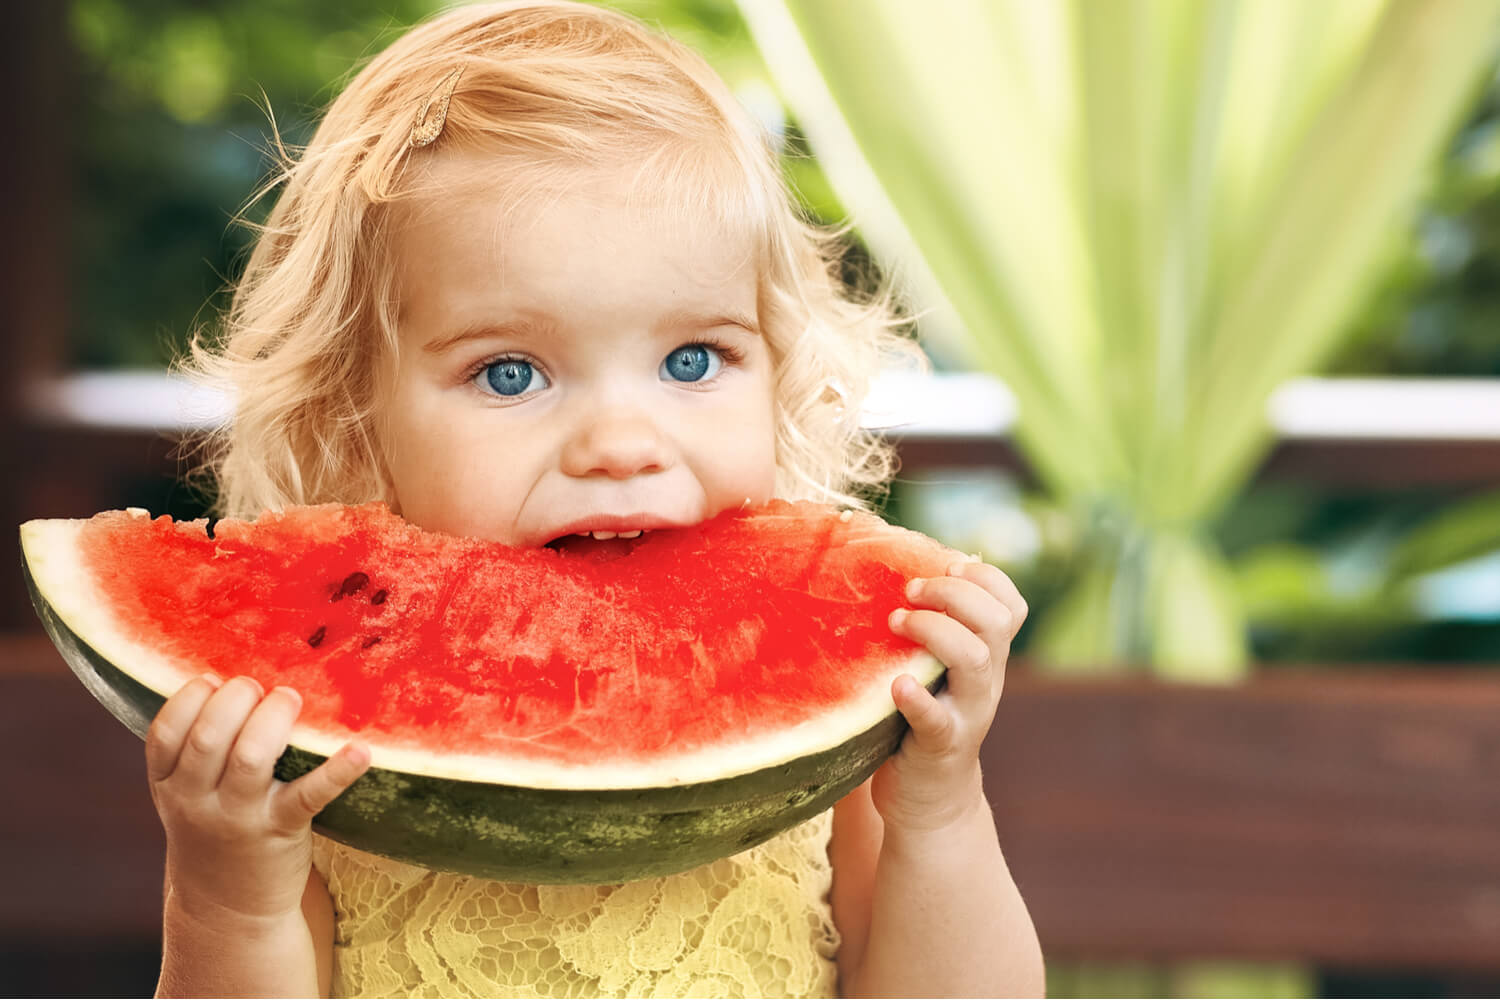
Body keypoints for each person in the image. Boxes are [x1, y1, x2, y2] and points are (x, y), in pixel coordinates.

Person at [150, 2, 1044, 996]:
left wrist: (941, 812)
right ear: (353, 408)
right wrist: (231, 896)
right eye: (510, 374)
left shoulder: (844, 747)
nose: (621, 444)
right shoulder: (310, 738)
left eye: (693, 359)